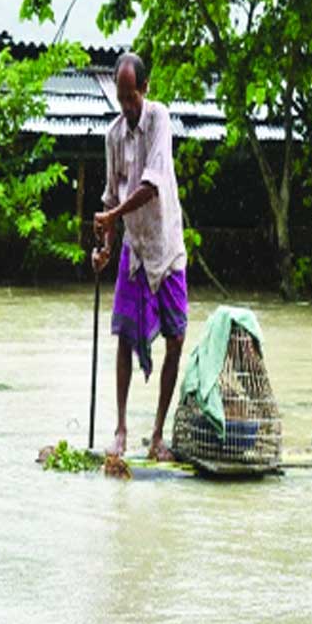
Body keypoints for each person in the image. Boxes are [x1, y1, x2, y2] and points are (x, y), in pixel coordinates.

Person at [92, 52, 188, 461]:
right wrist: (105, 246)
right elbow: (111, 196)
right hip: (134, 249)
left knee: (177, 337)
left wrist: (112, 215)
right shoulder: (113, 136)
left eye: (132, 97)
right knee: (124, 337)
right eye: (121, 98)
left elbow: (150, 185)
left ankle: (157, 435)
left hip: (165, 245)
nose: (127, 106)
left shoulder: (159, 119)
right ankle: (120, 430)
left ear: (144, 90)